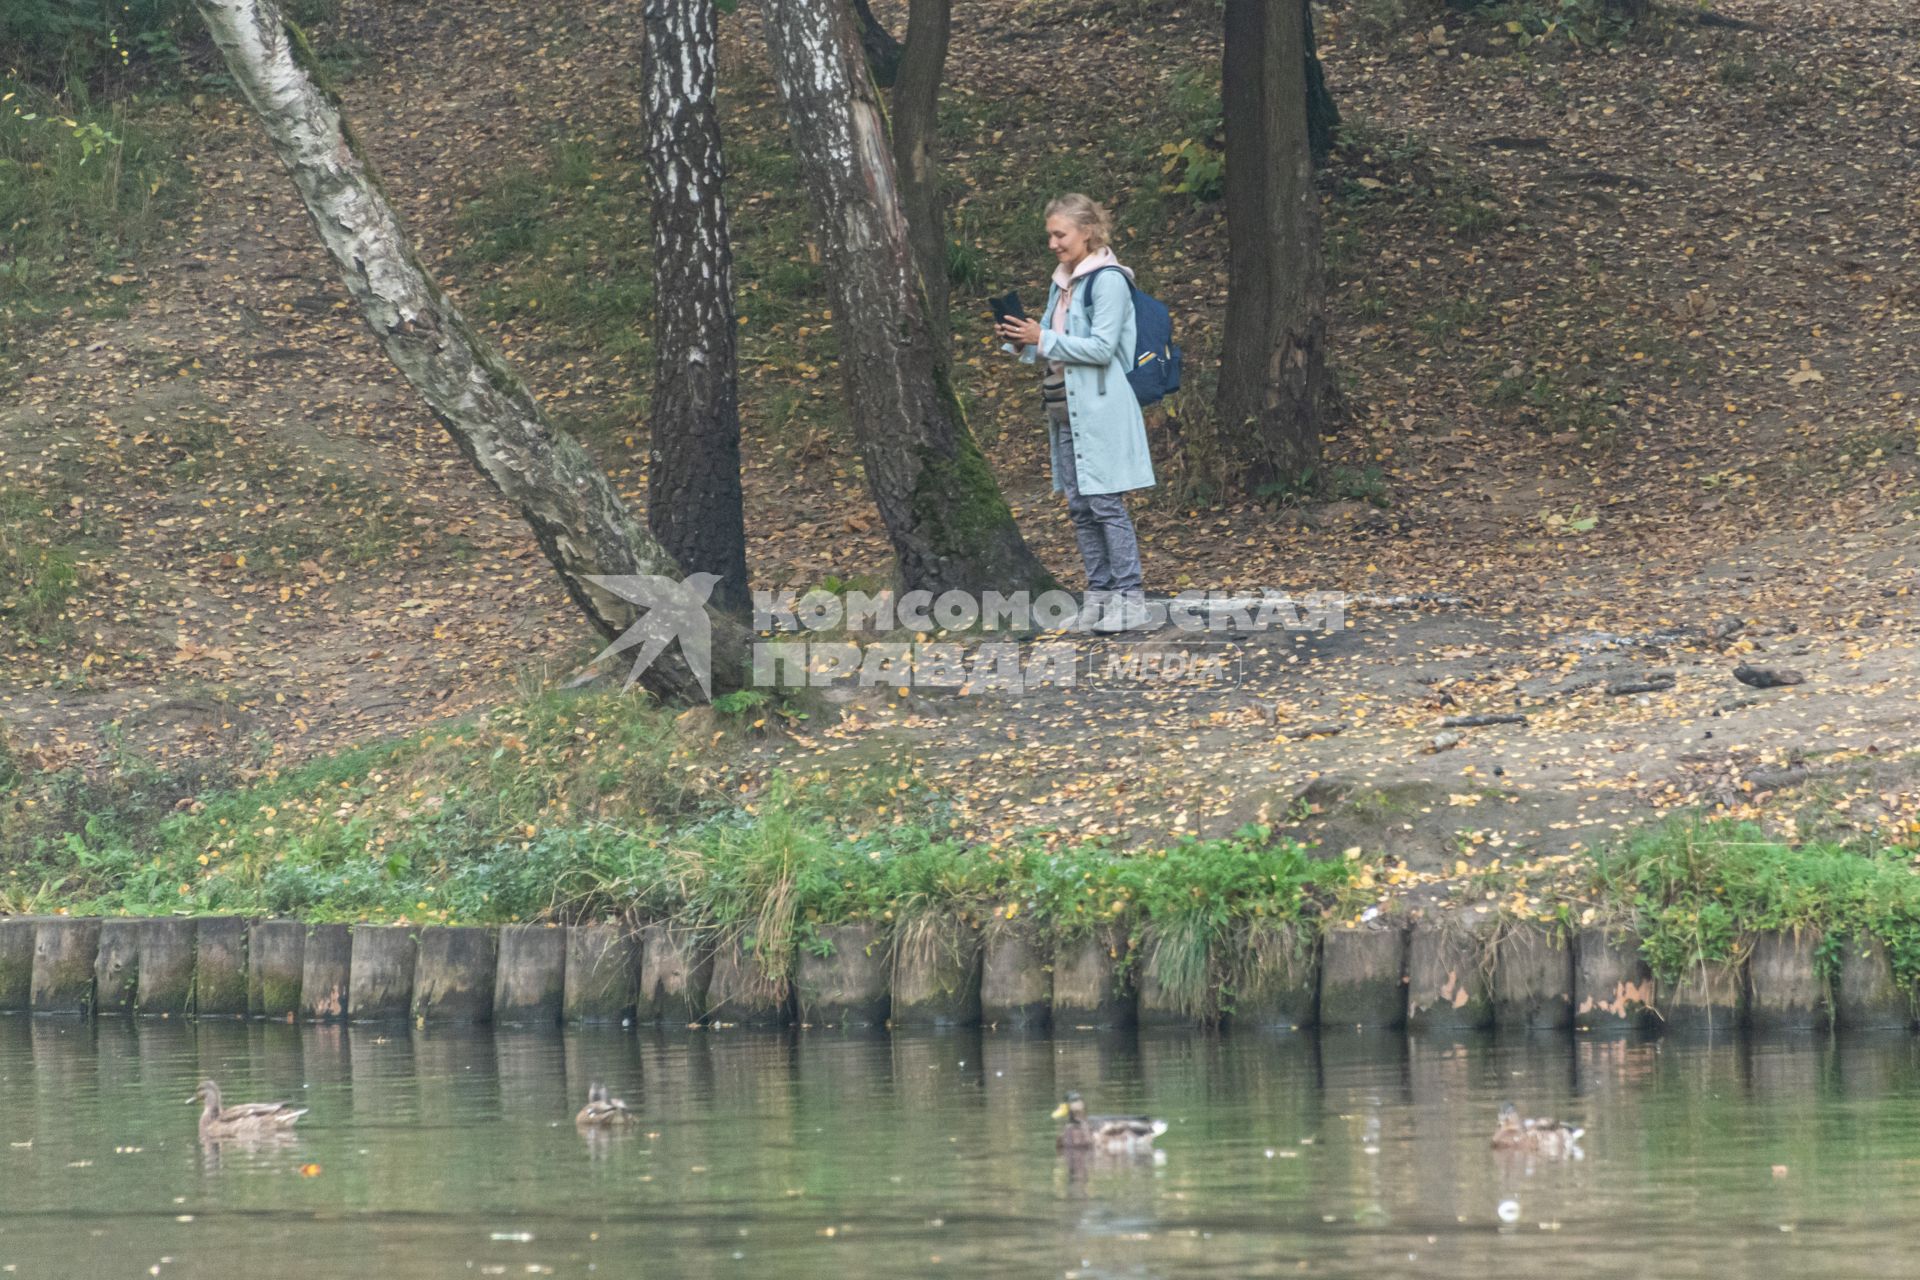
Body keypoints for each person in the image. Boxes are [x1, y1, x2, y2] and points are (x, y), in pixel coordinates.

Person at [996, 193, 1156, 633]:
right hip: (1063, 410)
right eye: (1050, 234)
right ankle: (1099, 596)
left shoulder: (1108, 281)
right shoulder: (1062, 281)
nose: (1052, 243)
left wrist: (1042, 337)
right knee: (1079, 507)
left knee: (1105, 503)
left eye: (1059, 234)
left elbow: (1103, 348)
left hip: (1100, 409)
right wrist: (1020, 339)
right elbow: (1051, 346)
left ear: (1087, 231)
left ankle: (1132, 598)